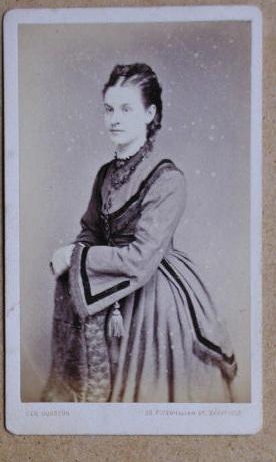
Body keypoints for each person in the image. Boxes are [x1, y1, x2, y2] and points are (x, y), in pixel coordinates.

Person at [42, 63, 237, 403]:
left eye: (126, 109)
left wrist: (73, 257)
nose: (114, 119)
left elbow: (141, 258)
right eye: (109, 109)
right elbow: (89, 231)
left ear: (150, 113)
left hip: (155, 301)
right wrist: (78, 253)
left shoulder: (168, 180)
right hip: (106, 289)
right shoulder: (105, 175)